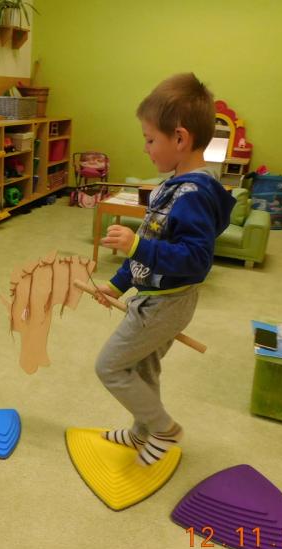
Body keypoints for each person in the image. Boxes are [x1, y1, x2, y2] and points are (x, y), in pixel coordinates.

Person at [94, 73, 235, 466]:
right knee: (143, 369)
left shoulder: (193, 195)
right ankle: (142, 432)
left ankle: (164, 429)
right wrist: (117, 285)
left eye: (150, 139)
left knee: (109, 367)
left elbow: (196, 259)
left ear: (180, 139)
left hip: (166, 304)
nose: (145, 148)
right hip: (158, 298)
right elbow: (152, 243)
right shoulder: (175, 186)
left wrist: (136, 245)